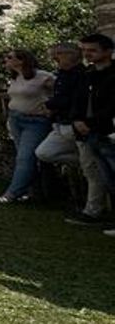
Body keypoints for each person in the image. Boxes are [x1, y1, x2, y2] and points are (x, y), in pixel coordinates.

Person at [35, 43, 107, 224]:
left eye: (58, 54)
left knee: (92, 172)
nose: (54, 58)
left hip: (78, 126)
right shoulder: (62, 74)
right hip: (62, 125)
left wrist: (51, 105)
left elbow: (75, 99)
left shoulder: (83, 75)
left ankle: (92, 211)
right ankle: (94, 164)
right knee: (44, 152)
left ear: (72, 55)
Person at [0, 49, 54, 203]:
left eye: (10, 57)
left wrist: (50, 108)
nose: (6, 59)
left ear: (22, 60)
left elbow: (60, 92)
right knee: (25, 157)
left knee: (25, 157)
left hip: (35, 121)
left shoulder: (43, 76)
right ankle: (34, 192)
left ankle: (12, 193)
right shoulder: (16, 77)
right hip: (16, 119)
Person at [74, 34, 115, 237]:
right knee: (109, 179)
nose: (87, 54)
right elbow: (79, 101)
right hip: (91, 133)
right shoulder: (88, 74)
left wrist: (89, 123)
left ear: (108, 52)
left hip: (107, 131)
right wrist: (77, 120)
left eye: (92, 50)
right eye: (84, 50)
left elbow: (111, 107)